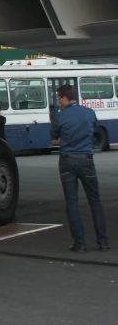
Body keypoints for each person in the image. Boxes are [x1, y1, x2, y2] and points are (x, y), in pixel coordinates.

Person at [51, 84, 109, 253]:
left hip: (67, 160)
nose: (59, 102)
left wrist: (64, 139)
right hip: (86, 159)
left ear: (64, 98)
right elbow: (91, 130)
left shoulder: (60, 117)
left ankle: (80, 243)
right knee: (95, 200)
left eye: (58, 98)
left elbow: (54, 139)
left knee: (72, 202)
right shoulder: (89, 113)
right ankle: (103, 242)